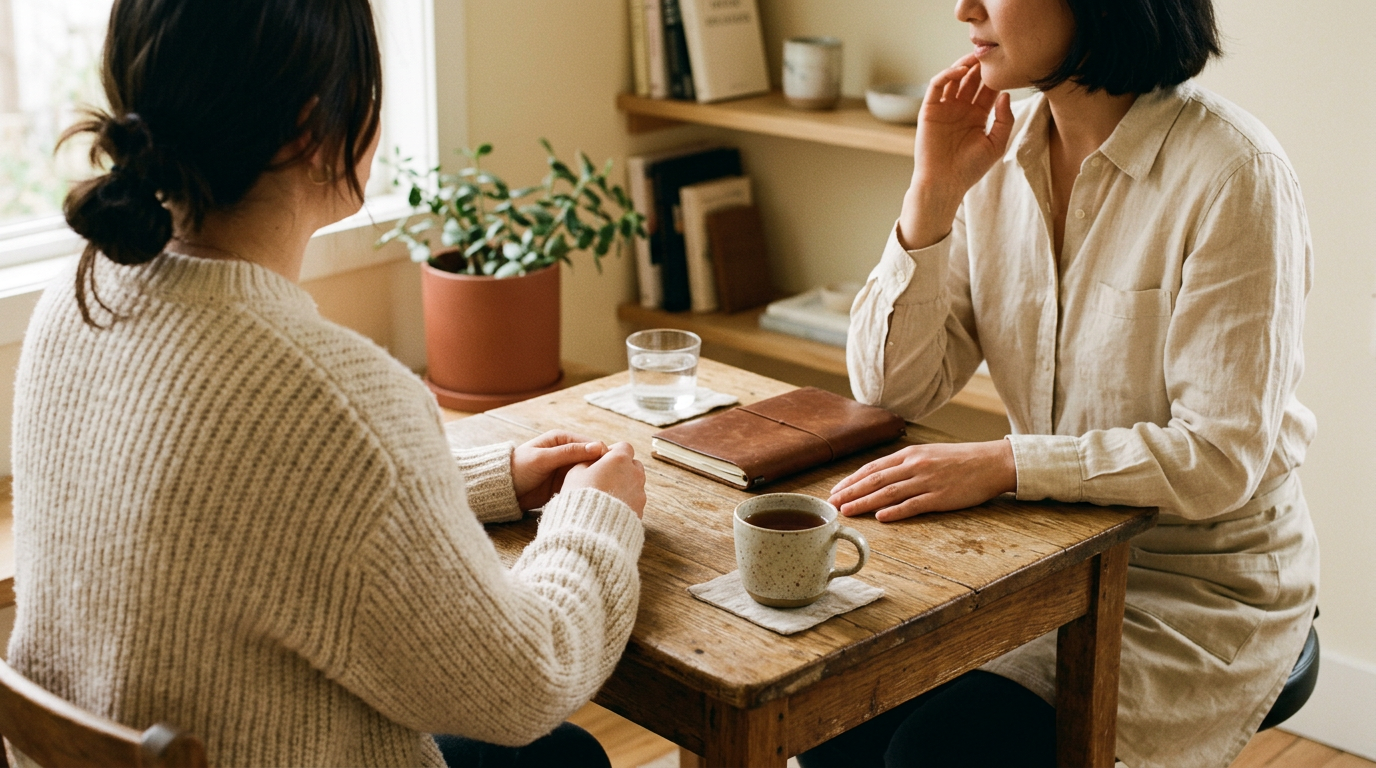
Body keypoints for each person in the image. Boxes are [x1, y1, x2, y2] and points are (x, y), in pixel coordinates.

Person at [7, 1, 646, 767]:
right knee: (561, 756)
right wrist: (594, 519)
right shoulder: (329, 403)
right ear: (313, 130)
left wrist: (489, 481)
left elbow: (249, 509)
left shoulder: (79, 296)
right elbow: (527, 681)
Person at [799, 0, 1320, 766]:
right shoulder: (995, 158)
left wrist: (1003, 463)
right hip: (1045, 556)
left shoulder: (1235, 175)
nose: (963, 8)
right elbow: (893, 392)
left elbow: (1218, 459)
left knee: (941, 752)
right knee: (826, 715)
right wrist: (932, 193)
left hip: (1194, 585)